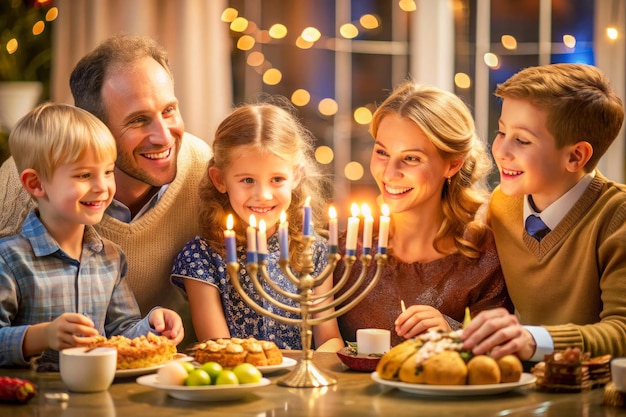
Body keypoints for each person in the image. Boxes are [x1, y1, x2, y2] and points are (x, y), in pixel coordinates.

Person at [0, 35, 211, 349]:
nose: (163, 137)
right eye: (138, 120)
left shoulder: (204, 171)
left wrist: (153, 325)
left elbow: (121, 328)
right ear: (96, 126)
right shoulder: (15, 189)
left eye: (169, 110)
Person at [461, 63, 626, 362]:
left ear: (576, 156)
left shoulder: (618, 216)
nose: (501, 150)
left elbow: (621, 331)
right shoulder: (501, 206)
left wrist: (534, 339)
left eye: (522, 140)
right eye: (501, 131)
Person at [0, 103, 184, 369]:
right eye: (84, 175)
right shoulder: (9, 258)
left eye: (108, 172)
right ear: (36, 184)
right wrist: (42, 336)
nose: (102, 187)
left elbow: (121, 331)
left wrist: (154, 325)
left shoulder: (110, 257)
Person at [333, 81, 513, 347]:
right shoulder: (349, 249)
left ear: (452, 164)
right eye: (382, 152)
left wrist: (452, 334)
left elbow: (497, 356)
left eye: (412, 158)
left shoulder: (484, 257)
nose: (389, 173)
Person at [171, 101, 343, 351]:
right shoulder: (203, 256)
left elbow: (329, 338)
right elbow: (220, 348)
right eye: (248, 180)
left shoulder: (314, 250)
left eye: (277, 179)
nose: (263, 194)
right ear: (219, 180)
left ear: (296, 176)